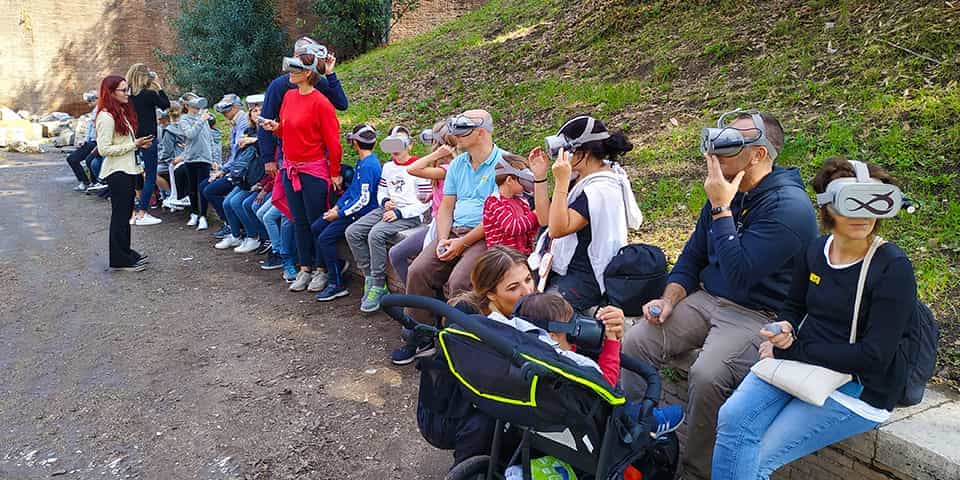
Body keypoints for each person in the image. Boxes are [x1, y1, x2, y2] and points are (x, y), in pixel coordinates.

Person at [620, 110, 818, 479]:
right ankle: (628, 441)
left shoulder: (789, 209)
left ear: (758, 155)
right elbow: (693, 256)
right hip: (705, 299)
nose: (713, 155)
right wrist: (669, 298)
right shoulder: (729, 191)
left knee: (708, 374)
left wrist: (721, 208)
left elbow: (740, 276)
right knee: (636, 341)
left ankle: (697, 471)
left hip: (757, 313)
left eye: (726, 146)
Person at [712, 158, 917, 479]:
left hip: (860, 388)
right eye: (851, 202)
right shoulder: (816, 250)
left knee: (752, 459)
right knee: (731, 419)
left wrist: (790, 349)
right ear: (828, 207)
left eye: (873, 204)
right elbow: (793, 305)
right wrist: (783, 326)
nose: (862, 215)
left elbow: (874, 357)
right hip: (803, 363)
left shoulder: (893, 268)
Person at [402, 110, 504, 341]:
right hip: (454, 231)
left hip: (485, 236)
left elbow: (496, 218)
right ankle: (418, 333)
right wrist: (443, 237)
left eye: (462, 131)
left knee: (459, 282)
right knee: (418, 271)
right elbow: (446, 206)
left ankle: (454, 342)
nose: (455, 136)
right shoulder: (458, 164)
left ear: (481, 133)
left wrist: (462, 243)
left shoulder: (503, 164)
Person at [527, 115, 642, 313]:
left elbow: (556, 229)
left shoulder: (601, 189)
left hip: (586, 276)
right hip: (559, 266)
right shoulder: (580, 176)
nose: (562, 155)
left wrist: (561, 183)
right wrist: (540, 177)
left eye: (567, 149)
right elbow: (545, 219)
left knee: (541, 311)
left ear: (585, 152)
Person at [259, 44, 343, 293]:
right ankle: (305, 267)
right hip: (290, 169)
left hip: (313, 170)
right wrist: (277, 128)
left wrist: (335, 171)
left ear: (307, 73)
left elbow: (333, 142)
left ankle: (322, 269)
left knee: (316, 220)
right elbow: (288, 129)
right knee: (299, 221)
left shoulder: (321, 102)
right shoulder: (288, 96)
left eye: (295, 69)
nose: (289, 73)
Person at [346, 125, 430, 312]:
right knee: (353, 232)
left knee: (376, 234)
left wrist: (400, 213)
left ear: (410, 144)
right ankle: (369, 275)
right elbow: (382, 190)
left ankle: (378, 284)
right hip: (387, 208)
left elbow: (425, 203)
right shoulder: (388, 167)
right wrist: (384, 201)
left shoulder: (419, 167)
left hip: (410, 215)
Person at [307, 124, 382, 300]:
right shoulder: (362, 162)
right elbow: (351, 191)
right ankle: (337, 264)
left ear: (355, 143)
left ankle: (336, 283)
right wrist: (337, 206)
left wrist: (340, 214)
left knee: (325, 238)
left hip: (361, 213)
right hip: (347, 210)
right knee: (317, 226)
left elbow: (363, 200)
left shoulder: (369, 166)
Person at [258, 37, 348, 178]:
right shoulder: (279, 86)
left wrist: (330, 74)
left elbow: (342, 104)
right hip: (288, 155)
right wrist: (268, 158)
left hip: (315, 156)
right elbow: (265, 120)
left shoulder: (317, 83)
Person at [94, 75, 153, 271]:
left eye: (127, 89)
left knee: (125, 214)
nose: (128, 93)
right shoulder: (106, 116)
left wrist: (138, 144)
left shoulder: (119, 112)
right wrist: (133, 144)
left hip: (127, 169)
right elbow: (104, 149)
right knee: (120, 216)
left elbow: (122, 144)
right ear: (111, 92)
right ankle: (119, 259)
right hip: (117, 171)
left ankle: (125, 253)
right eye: (123, 90)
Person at [388, 121, 456, 284]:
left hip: (444, 227)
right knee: (396, 254)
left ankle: (422, 299)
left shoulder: (448, 169)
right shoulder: (442, 168)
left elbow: (412, 169)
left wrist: (435, 155)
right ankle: (416, 298)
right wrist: (432, 196)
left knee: (415, 266)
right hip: (434, 223)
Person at [125, 63, 171, 226]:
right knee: (150, 174)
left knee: (132, 174)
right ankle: (143, 212)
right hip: (149, 138)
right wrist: (158, 86)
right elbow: (166, 105)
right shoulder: (149, 94)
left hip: (132, 139)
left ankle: (132, 212)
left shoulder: (127, 97)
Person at [481, 154, 546, 254]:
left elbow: (529, 230)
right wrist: (535, 214)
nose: (526, 185)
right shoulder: (494, 202)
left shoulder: (522, 202)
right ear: (509, 180)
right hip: (502, 258)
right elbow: (512, 227)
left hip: (521, 255)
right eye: (523, 181)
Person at [175, 92, 214, 231]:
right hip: (191, 158)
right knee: (192, 188)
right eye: (193, 103)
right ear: (186, 105)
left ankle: (203, 216)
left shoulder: (203, 117)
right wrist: (201, 120)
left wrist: (214, 158)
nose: (197, 106)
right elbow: (190, 135)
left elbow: (210, 139)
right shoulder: (184, 119)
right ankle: (194, 213)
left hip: (205, 158)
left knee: (202, 187)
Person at [65, 90, 99, 191]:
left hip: (97, 142)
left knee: (88, 160)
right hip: (90, 142)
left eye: (90, 101)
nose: (89, 104)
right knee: (72, 158)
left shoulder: (101, 111)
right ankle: (85, 181)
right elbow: (90, 129)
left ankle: (92, 182)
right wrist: (84, 140)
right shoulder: (94, 112)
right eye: (88, 101)